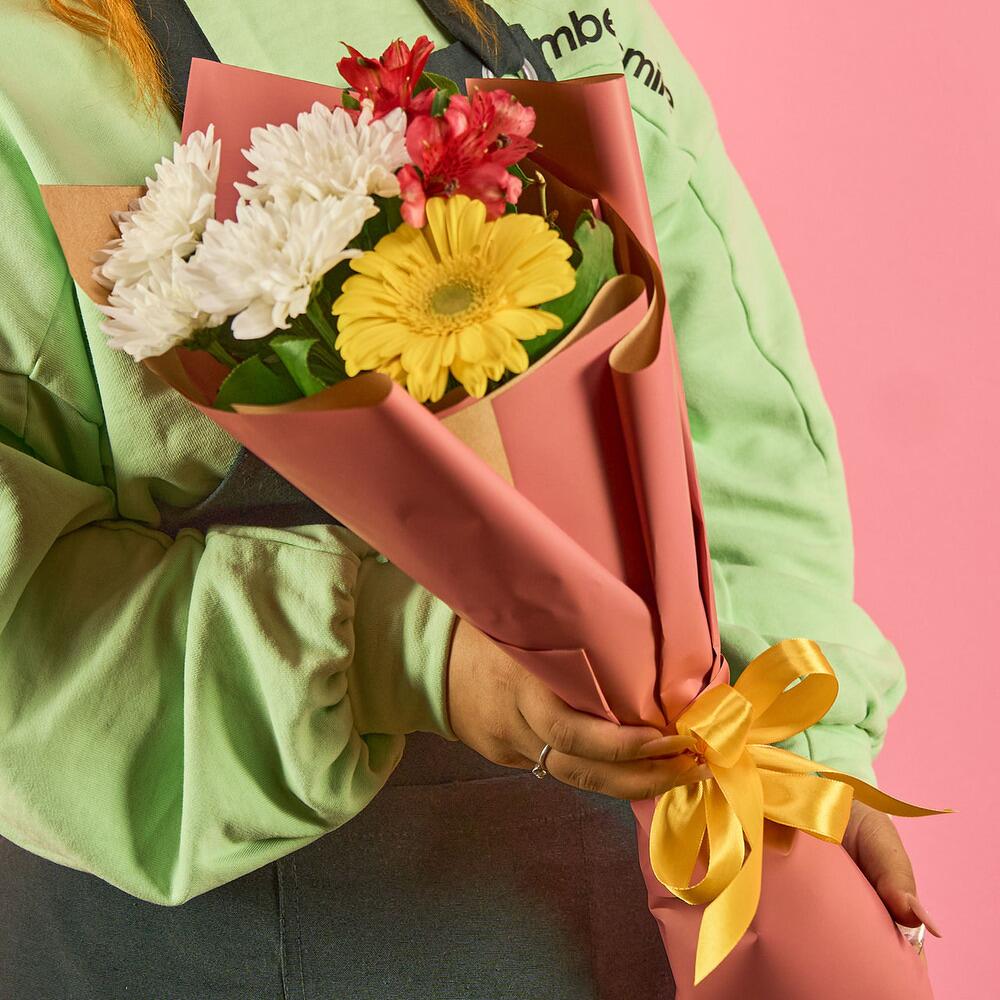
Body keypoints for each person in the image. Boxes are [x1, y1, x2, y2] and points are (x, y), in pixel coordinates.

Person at [0, 1, 938, 997]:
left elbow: (733, 400)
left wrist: (789, 761)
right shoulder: (27, 82)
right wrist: (413, 656)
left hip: (654, 904)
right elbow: (28, 637)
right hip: (248, 945)